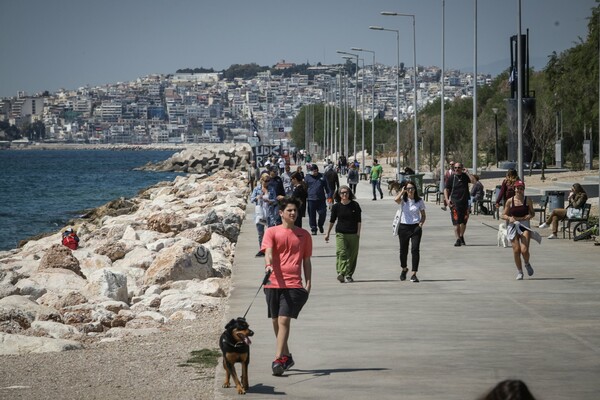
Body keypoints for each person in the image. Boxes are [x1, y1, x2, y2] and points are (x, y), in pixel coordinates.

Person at [261, 197, 312, 376]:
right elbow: (268, 251)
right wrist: (268, 266)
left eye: (295, 211)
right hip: (273, 282)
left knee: (283, 320)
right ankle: (287, 355)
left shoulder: (304, 235)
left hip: (293, 283)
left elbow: (306, 260)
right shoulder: (271, 232)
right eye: (289, 210)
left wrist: (309, 281)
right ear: (281, 213)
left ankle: (278, 359)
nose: (293, 213)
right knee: (276, 321)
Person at [324, 185, 362, 283]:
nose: (344, 194)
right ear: (339, 194)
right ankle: (341, 273)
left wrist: (358, 232)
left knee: (352, 255)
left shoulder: (355, 205)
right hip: (341, 233)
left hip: (353, 233)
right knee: (341, 253)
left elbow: (359, 220)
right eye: (342, 193)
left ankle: (349, 274)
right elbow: (332, 221)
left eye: (346, 192)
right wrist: (327, 233)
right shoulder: (336, 206)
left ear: (349, 194)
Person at [502, 180, 537, 280]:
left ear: (524, 190)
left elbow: (532, 212)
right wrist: (509, 218)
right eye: (518, 188)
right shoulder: (510, 201)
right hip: (513, 225)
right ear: (514, 189)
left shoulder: (527, 200)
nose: (519, 190)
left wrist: (529, 216)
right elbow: (503, 215)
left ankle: (526, 263)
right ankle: (520, 272)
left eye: (521, 189)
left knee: (524, 250)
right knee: (516, 250)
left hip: (524, 225)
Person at [394, 180, 426, 283]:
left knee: (415, 250)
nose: (410, 190)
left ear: (415, 189)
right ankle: (404, 268)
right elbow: (396, 200)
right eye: (408, 189)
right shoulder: (403, 200)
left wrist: (420, 224)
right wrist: (402, 192)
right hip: (403, 227)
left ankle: (414, 273)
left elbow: (423, 215)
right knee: (403, 250)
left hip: (415, 227)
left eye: (412, 188)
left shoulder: (419, 201)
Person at [443, 162, 475, 246]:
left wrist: (468, 173)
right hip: (455, 203)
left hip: (465, 202)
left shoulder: (465, 176)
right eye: (455, 168)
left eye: (459, 167)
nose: (457, 169)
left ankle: (461, 236)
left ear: (462, 168)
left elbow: (474, 181)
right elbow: (446, 189)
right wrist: (447, 200)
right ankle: (457, 239)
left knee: (464, 222)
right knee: (456, 222)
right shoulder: (451, 178)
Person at [305, 164, 331, 235]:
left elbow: (327, 188)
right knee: (312, 215)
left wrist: (329, 199)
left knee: (323, 213)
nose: (314, 172)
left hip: (321, 199)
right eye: (313, 171)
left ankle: (320, 224)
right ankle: (314, 228)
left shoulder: (322, 176)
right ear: (310, 171)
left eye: (316, 171)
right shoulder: (307, 177)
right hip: (311, 199)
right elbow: (304, 188)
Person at [250, 173, 270, 257]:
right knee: (260, 233)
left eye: (269, 181)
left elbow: (275, 199)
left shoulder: (271, 188)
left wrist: (269, 198)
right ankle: (262, 250)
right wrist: (256, 198)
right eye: (266, 181)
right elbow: (251, 199)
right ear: (261, 180)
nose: (267, 183)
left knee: (270, 232)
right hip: (259, 213)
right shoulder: (257, 189)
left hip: (269, 213)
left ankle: (270, 249)